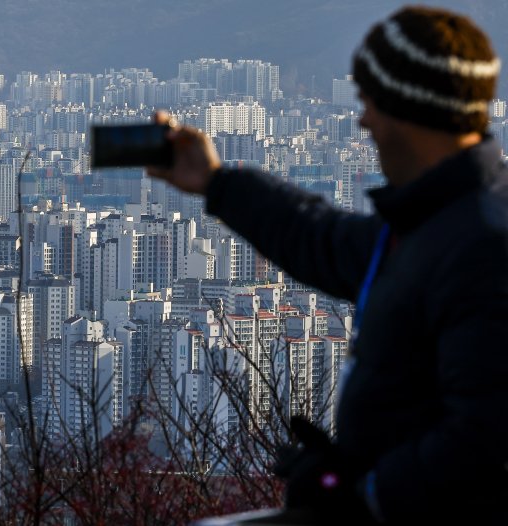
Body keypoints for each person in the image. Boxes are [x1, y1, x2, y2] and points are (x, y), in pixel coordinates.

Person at [148, 6, 508, 524]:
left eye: (367, 102)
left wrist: (364, 494)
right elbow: (321, 239)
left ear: (404, 109)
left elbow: (486, 437)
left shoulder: (482, 243)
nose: (362, 121)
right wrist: (216, 181)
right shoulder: (435, 222)